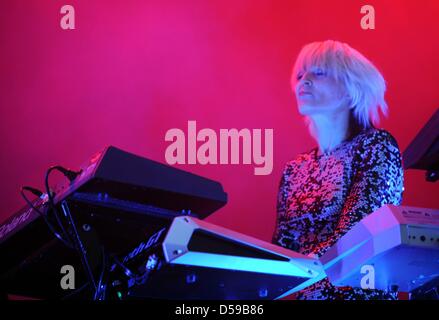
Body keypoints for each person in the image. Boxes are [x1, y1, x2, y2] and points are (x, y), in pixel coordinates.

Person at [272, 40, 404, 300]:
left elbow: (361, 234)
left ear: (349, 87)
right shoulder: (295, 169)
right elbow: (281, 250)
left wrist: (296, 268)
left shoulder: (376, 146)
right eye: (299, 75)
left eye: (318, 73)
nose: (304, 80)